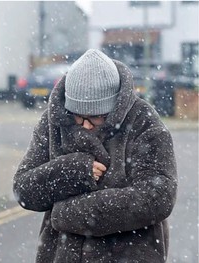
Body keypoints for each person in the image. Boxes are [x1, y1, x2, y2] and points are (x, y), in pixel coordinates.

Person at [13, 49, 177, 262]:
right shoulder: (53, 121)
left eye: (96, 118)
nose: (86, 125)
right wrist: (72, 171)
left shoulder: (143, 122)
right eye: (78, 117)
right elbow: (24, 191)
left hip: (130, 254)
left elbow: (158, 196)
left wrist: (70, 213)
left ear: (114, 107)